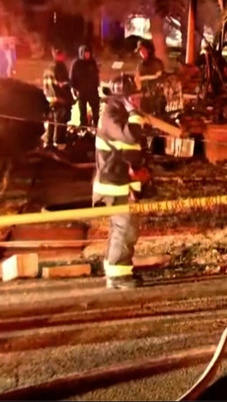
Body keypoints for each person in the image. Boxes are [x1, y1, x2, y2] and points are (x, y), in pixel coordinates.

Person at [94, 74, 153, 290]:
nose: (138, 101)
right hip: (114, 183)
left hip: (123, 180)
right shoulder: (112, 115)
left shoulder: (119, 112)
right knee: (125, 227)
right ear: (123, 98)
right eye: (134, 98)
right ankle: (118, 275)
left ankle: (117, 268)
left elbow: (131, 147)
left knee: (123, 227)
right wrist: (136, 116)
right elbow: (128, 137)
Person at [42, 47, 73, 149]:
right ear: (60, 55)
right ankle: (59, 146)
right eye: (63, 54)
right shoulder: (59, 67)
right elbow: (64, 85)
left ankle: (48, 145)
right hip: (60, 100)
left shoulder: (47, 69)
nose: (64, 57)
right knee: (60, 124)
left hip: (49, 100)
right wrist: (69, 99)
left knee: (51, 124)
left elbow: (45, 86)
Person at [70, 44, 101, 129]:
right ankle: (83, 127)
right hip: (82, 92)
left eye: (88, 53)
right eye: (85, 53)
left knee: (96, 109)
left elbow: (96, 75)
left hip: (93, 91)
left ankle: (96, 125)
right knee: (82, 111)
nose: (87, 55)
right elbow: (72, 78)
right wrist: (74, 89)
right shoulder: (76, 64)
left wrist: (96, 85)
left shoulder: (92, 62)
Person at [135, 38, 166, 115]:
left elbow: (159, 77)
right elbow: (137, 79)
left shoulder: (157, 63)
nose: (142, 53)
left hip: (157, 97)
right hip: (144, 97)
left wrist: (143, 78)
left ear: (149, 50)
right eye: (140, 51)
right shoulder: (140, 64)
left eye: (143, 50)